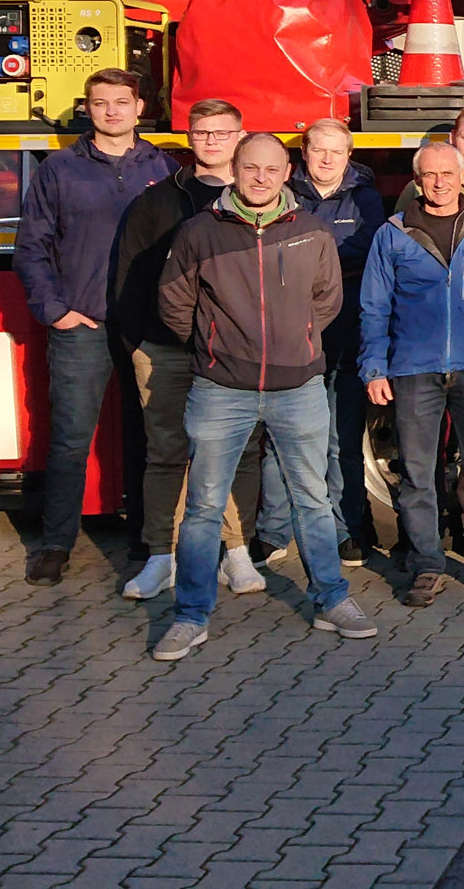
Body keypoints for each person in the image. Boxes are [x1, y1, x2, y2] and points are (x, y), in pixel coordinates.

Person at [147, 132, 369, 660]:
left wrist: (299, 343)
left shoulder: (312, 233)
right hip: (222, 388)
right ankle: (191, 615)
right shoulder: (200, 232)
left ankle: (331, 599)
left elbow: (327, 301)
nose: (261, 178)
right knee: (203, 506)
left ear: (286, 170)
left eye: (272, 169)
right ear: (237, 169)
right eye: (251, 168)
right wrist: (216, 349)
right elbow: (175, 302)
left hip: (299, 386)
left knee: (313, 499)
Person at [16, 68, 173, 586]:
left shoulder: (165, 169)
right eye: (100, 103)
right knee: (69, 438)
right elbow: (32, 248)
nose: (111, 111)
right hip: (80, 324)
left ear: (139, 107)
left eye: (121, 102)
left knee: (147, 437)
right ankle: (56, 543)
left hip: (143, 326)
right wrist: (54, 309)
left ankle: (147, 542)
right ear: (88, 108)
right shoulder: (59, 171)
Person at [360, 143, 464, 607]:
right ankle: (427, 566)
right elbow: (374, 307)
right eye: (430, 175)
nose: (439, 182)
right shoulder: (393, 234)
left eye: (447, 173)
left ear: (462, 176)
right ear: (417, 180)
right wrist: (374, 367)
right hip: (414, 369)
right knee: (418, 475)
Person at [114, 98, 266, 601]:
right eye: (202, 132)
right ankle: (163, 555)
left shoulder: (259, 201)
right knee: (167, 453)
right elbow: (129, 277)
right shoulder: (156, 202)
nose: (212, 141)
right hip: (166, 349)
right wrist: (139, 342)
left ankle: (236, 552)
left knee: (238, 453)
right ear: (189, 136)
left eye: (222, 133)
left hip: (233, 353)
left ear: (240, 136)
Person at [262, 119, 385, 566]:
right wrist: (331, 253)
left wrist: (310, 253)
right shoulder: (284, 196)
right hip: (293, 332)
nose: (328, 160)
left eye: (337, 151)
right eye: (319, 151)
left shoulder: (366, 200)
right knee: (282, 435)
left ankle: (344, 530)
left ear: (349, 156)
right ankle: (272, 530)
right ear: (305, 153)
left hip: (349, 330)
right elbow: (272, 248)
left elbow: (371, 249)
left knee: (340, 439)